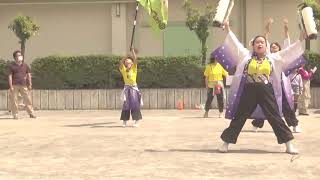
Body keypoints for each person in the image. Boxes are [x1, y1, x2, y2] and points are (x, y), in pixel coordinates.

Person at [212, 21, 306, 154]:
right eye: (257, 42)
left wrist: (301, 38)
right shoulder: (245, 55)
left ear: (266, 45)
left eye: (262, 42)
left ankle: (289, 145)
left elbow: (290, 51)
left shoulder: (274, 58)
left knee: (275, 118)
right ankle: (225, 143)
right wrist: (227, 28)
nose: (260, 44)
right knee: (239, 117)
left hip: (266, 90)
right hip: (249, 90)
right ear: (253, 45)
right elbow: (235, 43)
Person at [251, 18, 303, 133]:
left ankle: (294, 125)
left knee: (286, 106)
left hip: (282, 85)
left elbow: (287, 40)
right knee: (263, 104)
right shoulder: (268, 56)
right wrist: (268, 26)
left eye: (275, 46)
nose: (273, 47)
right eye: (272, 46)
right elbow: (265, 37)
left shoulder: (282, 55)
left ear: (279, 48)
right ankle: (256, 124)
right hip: (268, 85)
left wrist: (286, 26)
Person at [8, 50, 36, 119]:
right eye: (18, 55)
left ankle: (31, 113)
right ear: (15, 57)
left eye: (20, 55)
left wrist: (30, 84)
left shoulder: (25, 65)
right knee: (14, 100)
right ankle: (15, 114)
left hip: (24, 85)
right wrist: (10, 86)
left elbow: (29, 75)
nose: (20, 56)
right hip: (14, 85)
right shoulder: (11, 66)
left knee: (27, 99)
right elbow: (10, 76)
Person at [119, 48, 143, 127]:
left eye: (129, 62)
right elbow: (120, 62)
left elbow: (136, 59)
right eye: (126, 62)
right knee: (126, 105)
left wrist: (132, 51)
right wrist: (126, 56)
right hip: (127, 88)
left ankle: (137, 121)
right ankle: (124, 121)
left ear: (132, 63)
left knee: (135, 104)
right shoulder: (123, 69)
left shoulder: (134, 69)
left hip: (133, 89)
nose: (128, 62)